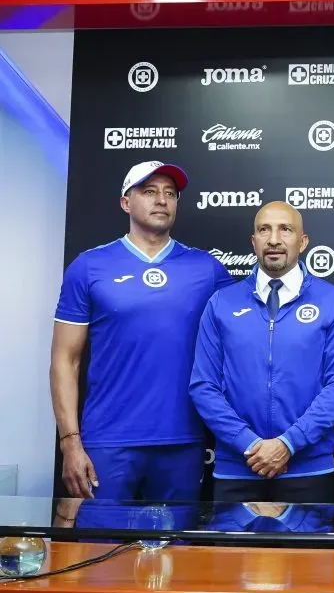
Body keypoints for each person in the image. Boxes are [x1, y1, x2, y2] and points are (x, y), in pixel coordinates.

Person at [51, 161, 234, 501]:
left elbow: (244, 338)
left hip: (184, 440)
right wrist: (70, 442)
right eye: (149, 192)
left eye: (170, 193)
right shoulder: (89, 266)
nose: (161, 200)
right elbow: (65, 360)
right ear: (126, 202)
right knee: (100, 549)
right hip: (107, 440)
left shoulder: (206, 268)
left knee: (174, 553)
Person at [189, 201, 334, 503]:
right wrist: (249, 444)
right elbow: (204, 387)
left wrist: (289, 443)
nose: (274, 239)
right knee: (233, 554)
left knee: (304, 553)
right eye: (264, 230)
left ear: (303, 242)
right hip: (238, 468)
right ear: (254, 241)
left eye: (285, 229)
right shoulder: (221, 303)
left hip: (308, 469)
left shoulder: (333, 301)